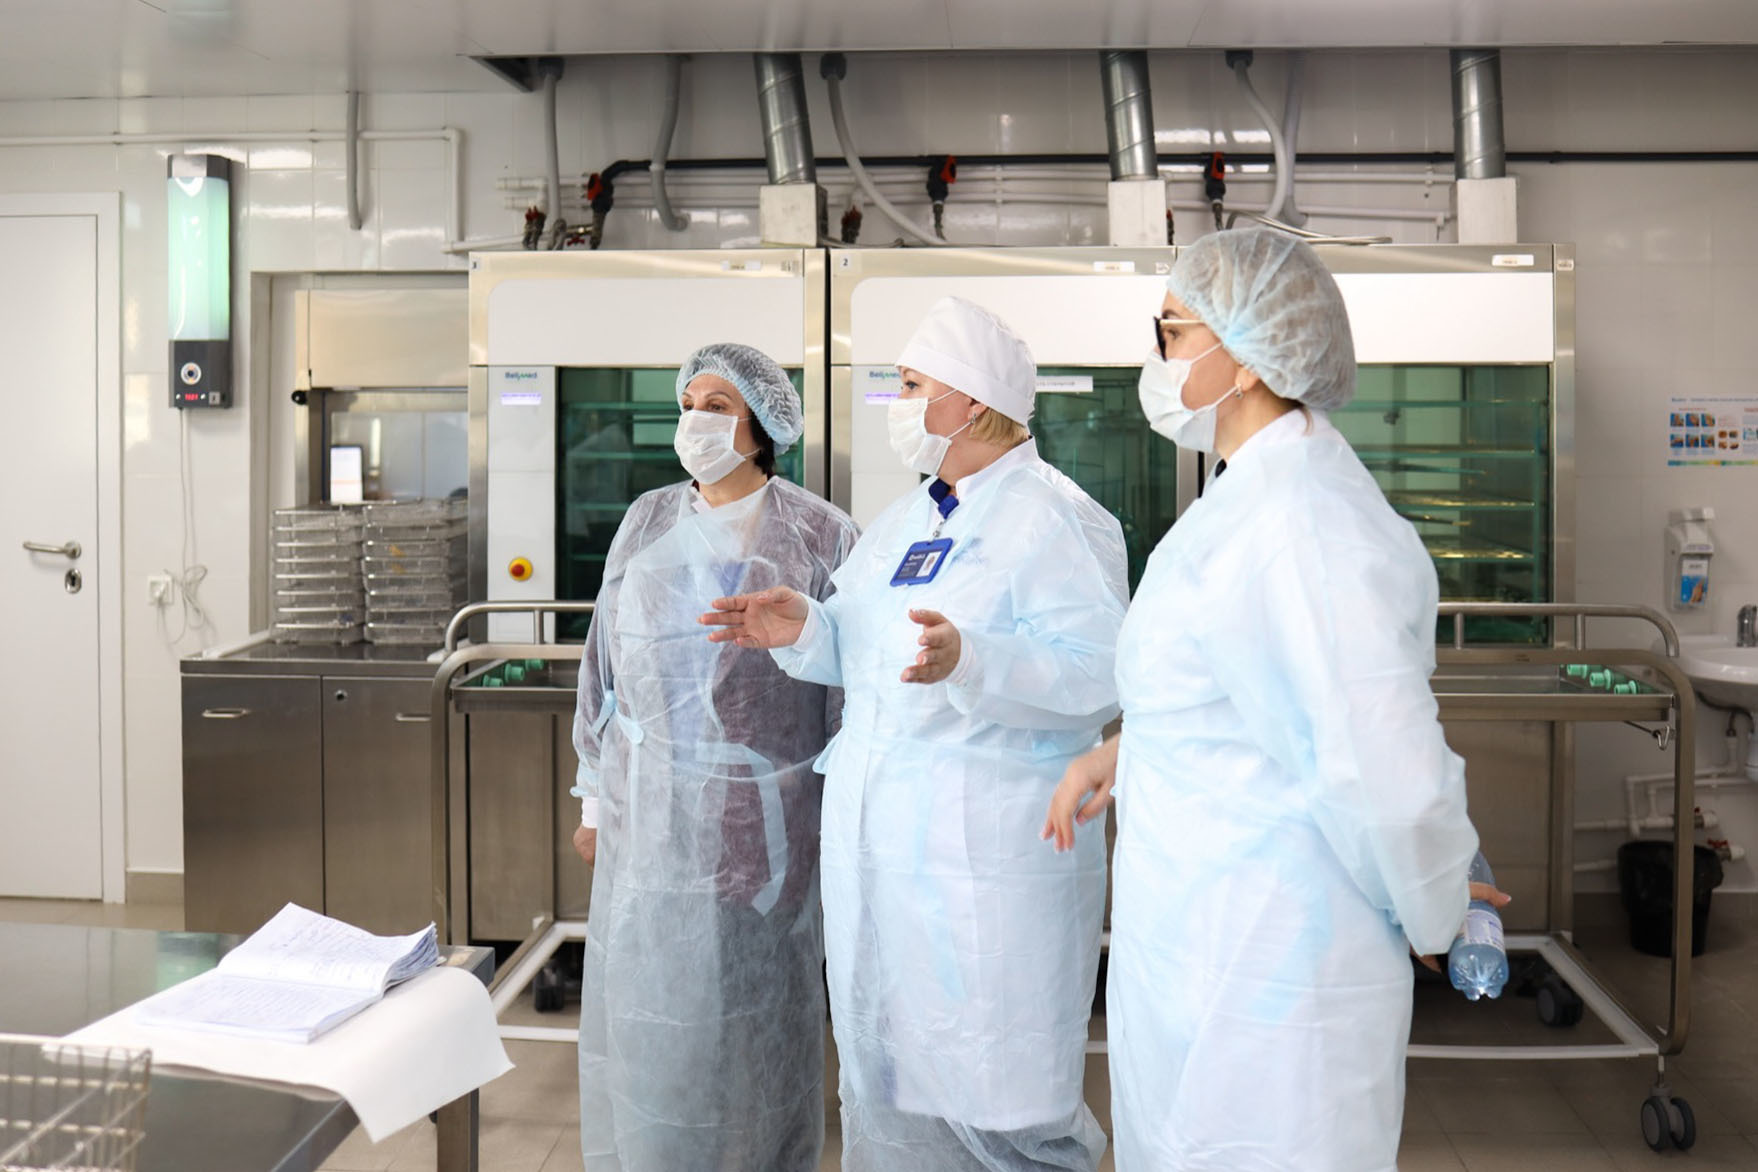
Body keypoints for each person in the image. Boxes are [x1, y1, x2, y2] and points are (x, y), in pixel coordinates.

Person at [1043, 228, 1495, 1171]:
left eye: (1172, 330)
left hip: (1278, 966)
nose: (1158, 354)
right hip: (1206, 942)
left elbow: (1385, 765)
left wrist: (1434, 906)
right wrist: (1127, 752)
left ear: (1246, 359)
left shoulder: (1304, 520)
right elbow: (1243, 691)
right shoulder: (1247, 496)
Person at [703, 297, 1127, 1172]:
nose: (896, 404)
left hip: (986, 863)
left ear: (969, 400)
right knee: (892, 1084)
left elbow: (1100, 670)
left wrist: (976, 659)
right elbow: (870, 655)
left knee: (1001, 1101)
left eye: (910, 385)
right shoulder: (910, 522)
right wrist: (807, 629)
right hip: (885, 857)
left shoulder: (1056, 518)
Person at [570, 342, 859, 1171]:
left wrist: (838, 818)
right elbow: (604, 668)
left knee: (757, 1016)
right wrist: (594, 802)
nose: (695, 421)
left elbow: (851, 688)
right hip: (651, 813)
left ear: (764, 427)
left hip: (769, 824)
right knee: (655, 1013)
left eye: (718, 407)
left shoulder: (821, 533)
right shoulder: (648, 520)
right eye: (689, 404)